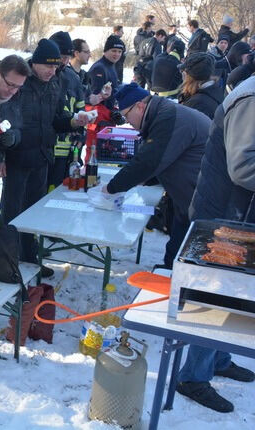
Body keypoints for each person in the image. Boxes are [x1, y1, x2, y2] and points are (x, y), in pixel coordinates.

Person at [178, 74, 255, 413]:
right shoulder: (251, 97)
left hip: (240, 213)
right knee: (215, 293)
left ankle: (218, 358)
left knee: (233, 294)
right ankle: (192, 377)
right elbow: (242, 167)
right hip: (224, 214)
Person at [2, 39, 90, 278]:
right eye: (48, 66)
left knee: (33, 214)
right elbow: (5, 120)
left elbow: (54, 121)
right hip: (18, 158)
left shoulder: (54, 83)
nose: (53, 70)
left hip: (42, 157)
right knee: (12, 213)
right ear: (35, 64)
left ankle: (30, 260)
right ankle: (6, 262)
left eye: (56, 65)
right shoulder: (21, 83)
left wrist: (73, 121)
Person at [104, 84, 209, 269]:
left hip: (202, 198)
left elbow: (148, 161)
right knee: (177, 246)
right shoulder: (163, 113)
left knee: (189, 255)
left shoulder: (168, 117)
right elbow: (167, 156)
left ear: (140, 106)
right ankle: (170, 271)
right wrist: (148, 179)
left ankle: (173, 279)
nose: (127, 121)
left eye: (126, 115)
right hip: (187, 197)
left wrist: (111, 187)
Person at [47, 31, 85, 192]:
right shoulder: (39, 75)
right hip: (44, 150)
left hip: (66, 151)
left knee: (58, 195)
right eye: (62, 57)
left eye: (68, 58)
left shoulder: (72, 78)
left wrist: (81, 133)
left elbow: (80, 109)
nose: (65, 61)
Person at [178, 53, 224, 119]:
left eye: (183, 71)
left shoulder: (197, 104)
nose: (182, 74)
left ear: (189, 76)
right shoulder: (215, 90)